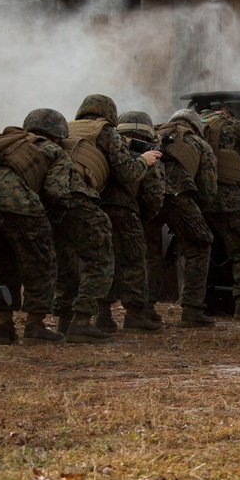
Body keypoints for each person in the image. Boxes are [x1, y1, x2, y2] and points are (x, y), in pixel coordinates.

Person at [53, 94, 160, 343]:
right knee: (121, 259)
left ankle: (74, 319)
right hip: (101, 203)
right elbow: (128, 173)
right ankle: (127, 316)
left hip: (60, 201)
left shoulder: (67, 129)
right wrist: (145, 161)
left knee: (72, 262)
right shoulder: (106, 132)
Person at [0, 109, 73, 344]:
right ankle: (35, 326)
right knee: (42, 264)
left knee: (2, 266)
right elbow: (57, 192)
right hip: (23, 209)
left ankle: (4, 326)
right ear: (58, 134)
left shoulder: (0, 144)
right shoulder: (54, 151)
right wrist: (53, 220)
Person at [95, 111, 166, 334]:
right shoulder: (147, 151)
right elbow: (154, 193)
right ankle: (135, 314)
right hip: (127, 212)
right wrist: (144, 218)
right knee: (134, 262)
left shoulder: (105, 143)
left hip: (99, 208)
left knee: (104, 260)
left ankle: (103, 315)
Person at [147, 108, 217, 327]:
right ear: (196, 126)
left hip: (146, 195)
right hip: (176, 195)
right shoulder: (199, 143)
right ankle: (192, 310)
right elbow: (207, 189)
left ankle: (143, 309)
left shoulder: (153, 133)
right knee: (200, 244)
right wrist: (197, 211)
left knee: (150, 252)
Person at [200, 106, 240, 319]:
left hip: (199, 198)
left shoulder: (196, 123)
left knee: (199, 249)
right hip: (227, 198)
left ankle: (196, 303)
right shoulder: (231, 123)